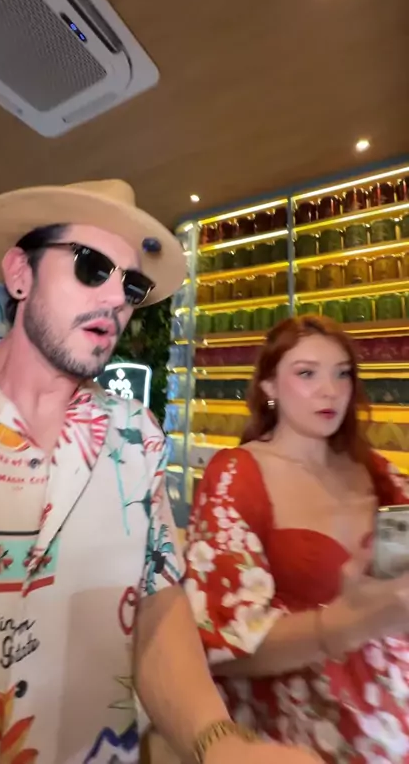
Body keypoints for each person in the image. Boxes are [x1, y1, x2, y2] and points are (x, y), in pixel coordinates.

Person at [0, 180, 319, 764]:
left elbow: (158, 611)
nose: (117, 298)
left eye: (131, 285)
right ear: (19, 273)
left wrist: (218, 742)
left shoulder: (138, 436)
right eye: (91, 267)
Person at [185, 314, 409, 763]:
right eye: (307, 373)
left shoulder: (378, 471)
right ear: (269, 386)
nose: (330, 390)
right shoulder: (236, 475)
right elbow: (221, 643)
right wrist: (348, 623)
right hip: (299, 734)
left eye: (342, 373)